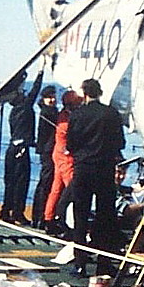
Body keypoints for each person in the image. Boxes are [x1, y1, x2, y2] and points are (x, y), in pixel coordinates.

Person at [65, 78, 126, 277]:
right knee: (105, 218)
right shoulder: (111, 113)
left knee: (80, 216)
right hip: (104, 170)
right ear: (100, 92)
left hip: (83, 170)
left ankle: (80, 262)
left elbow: (71, 145)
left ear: (84, 93)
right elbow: (120, 143)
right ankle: (103, 262)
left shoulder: (77, 115)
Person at [0, 68, 43, 224]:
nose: (24, 93)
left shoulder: (13, 112)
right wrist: (40, 73)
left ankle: (5, 211)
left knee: (10, 182)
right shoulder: (24, 108)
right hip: (21, 150)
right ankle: (17, 213)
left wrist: (23, 75)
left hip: (12, 149)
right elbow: (35, 91)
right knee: (21, 183)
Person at [45, 89, 83, 235]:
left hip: (59, 154)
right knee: (72, 189)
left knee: (56, 188)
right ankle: (65, 221)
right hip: (66, 157)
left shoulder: (63, 116)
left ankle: (49, 219)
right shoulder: (67, 120)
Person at [31, 85, 58, 229]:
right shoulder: (48, 113)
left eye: (54, 97)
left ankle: (38, 216)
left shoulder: (48, 111)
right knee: (46, 184)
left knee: (44, 184)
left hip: (46, 151)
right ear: (44, 98)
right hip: (48, 152)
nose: (52, 100)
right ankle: (40, 216)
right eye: (49, 97)